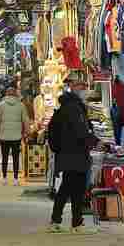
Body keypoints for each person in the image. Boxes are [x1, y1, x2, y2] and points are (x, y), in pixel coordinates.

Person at [47, 84, 98, 232]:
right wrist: (95, 142)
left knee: (68, 187)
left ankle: (62, 221)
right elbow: (80, 131)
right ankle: (73, 222)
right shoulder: (75, 110)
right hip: (76, 154)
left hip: (66, 154)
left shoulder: (63, 108)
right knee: (76, 189)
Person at [0, 87, 27, 181]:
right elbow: (25, 120)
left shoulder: (1, 105)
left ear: (6, 94)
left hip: (4, 135)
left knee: (4, 156)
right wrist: (27, 132)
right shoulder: (21, 105)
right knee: (16, 157)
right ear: (15, 94)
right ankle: (15, 178)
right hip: (17, 135)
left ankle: (4, 177)